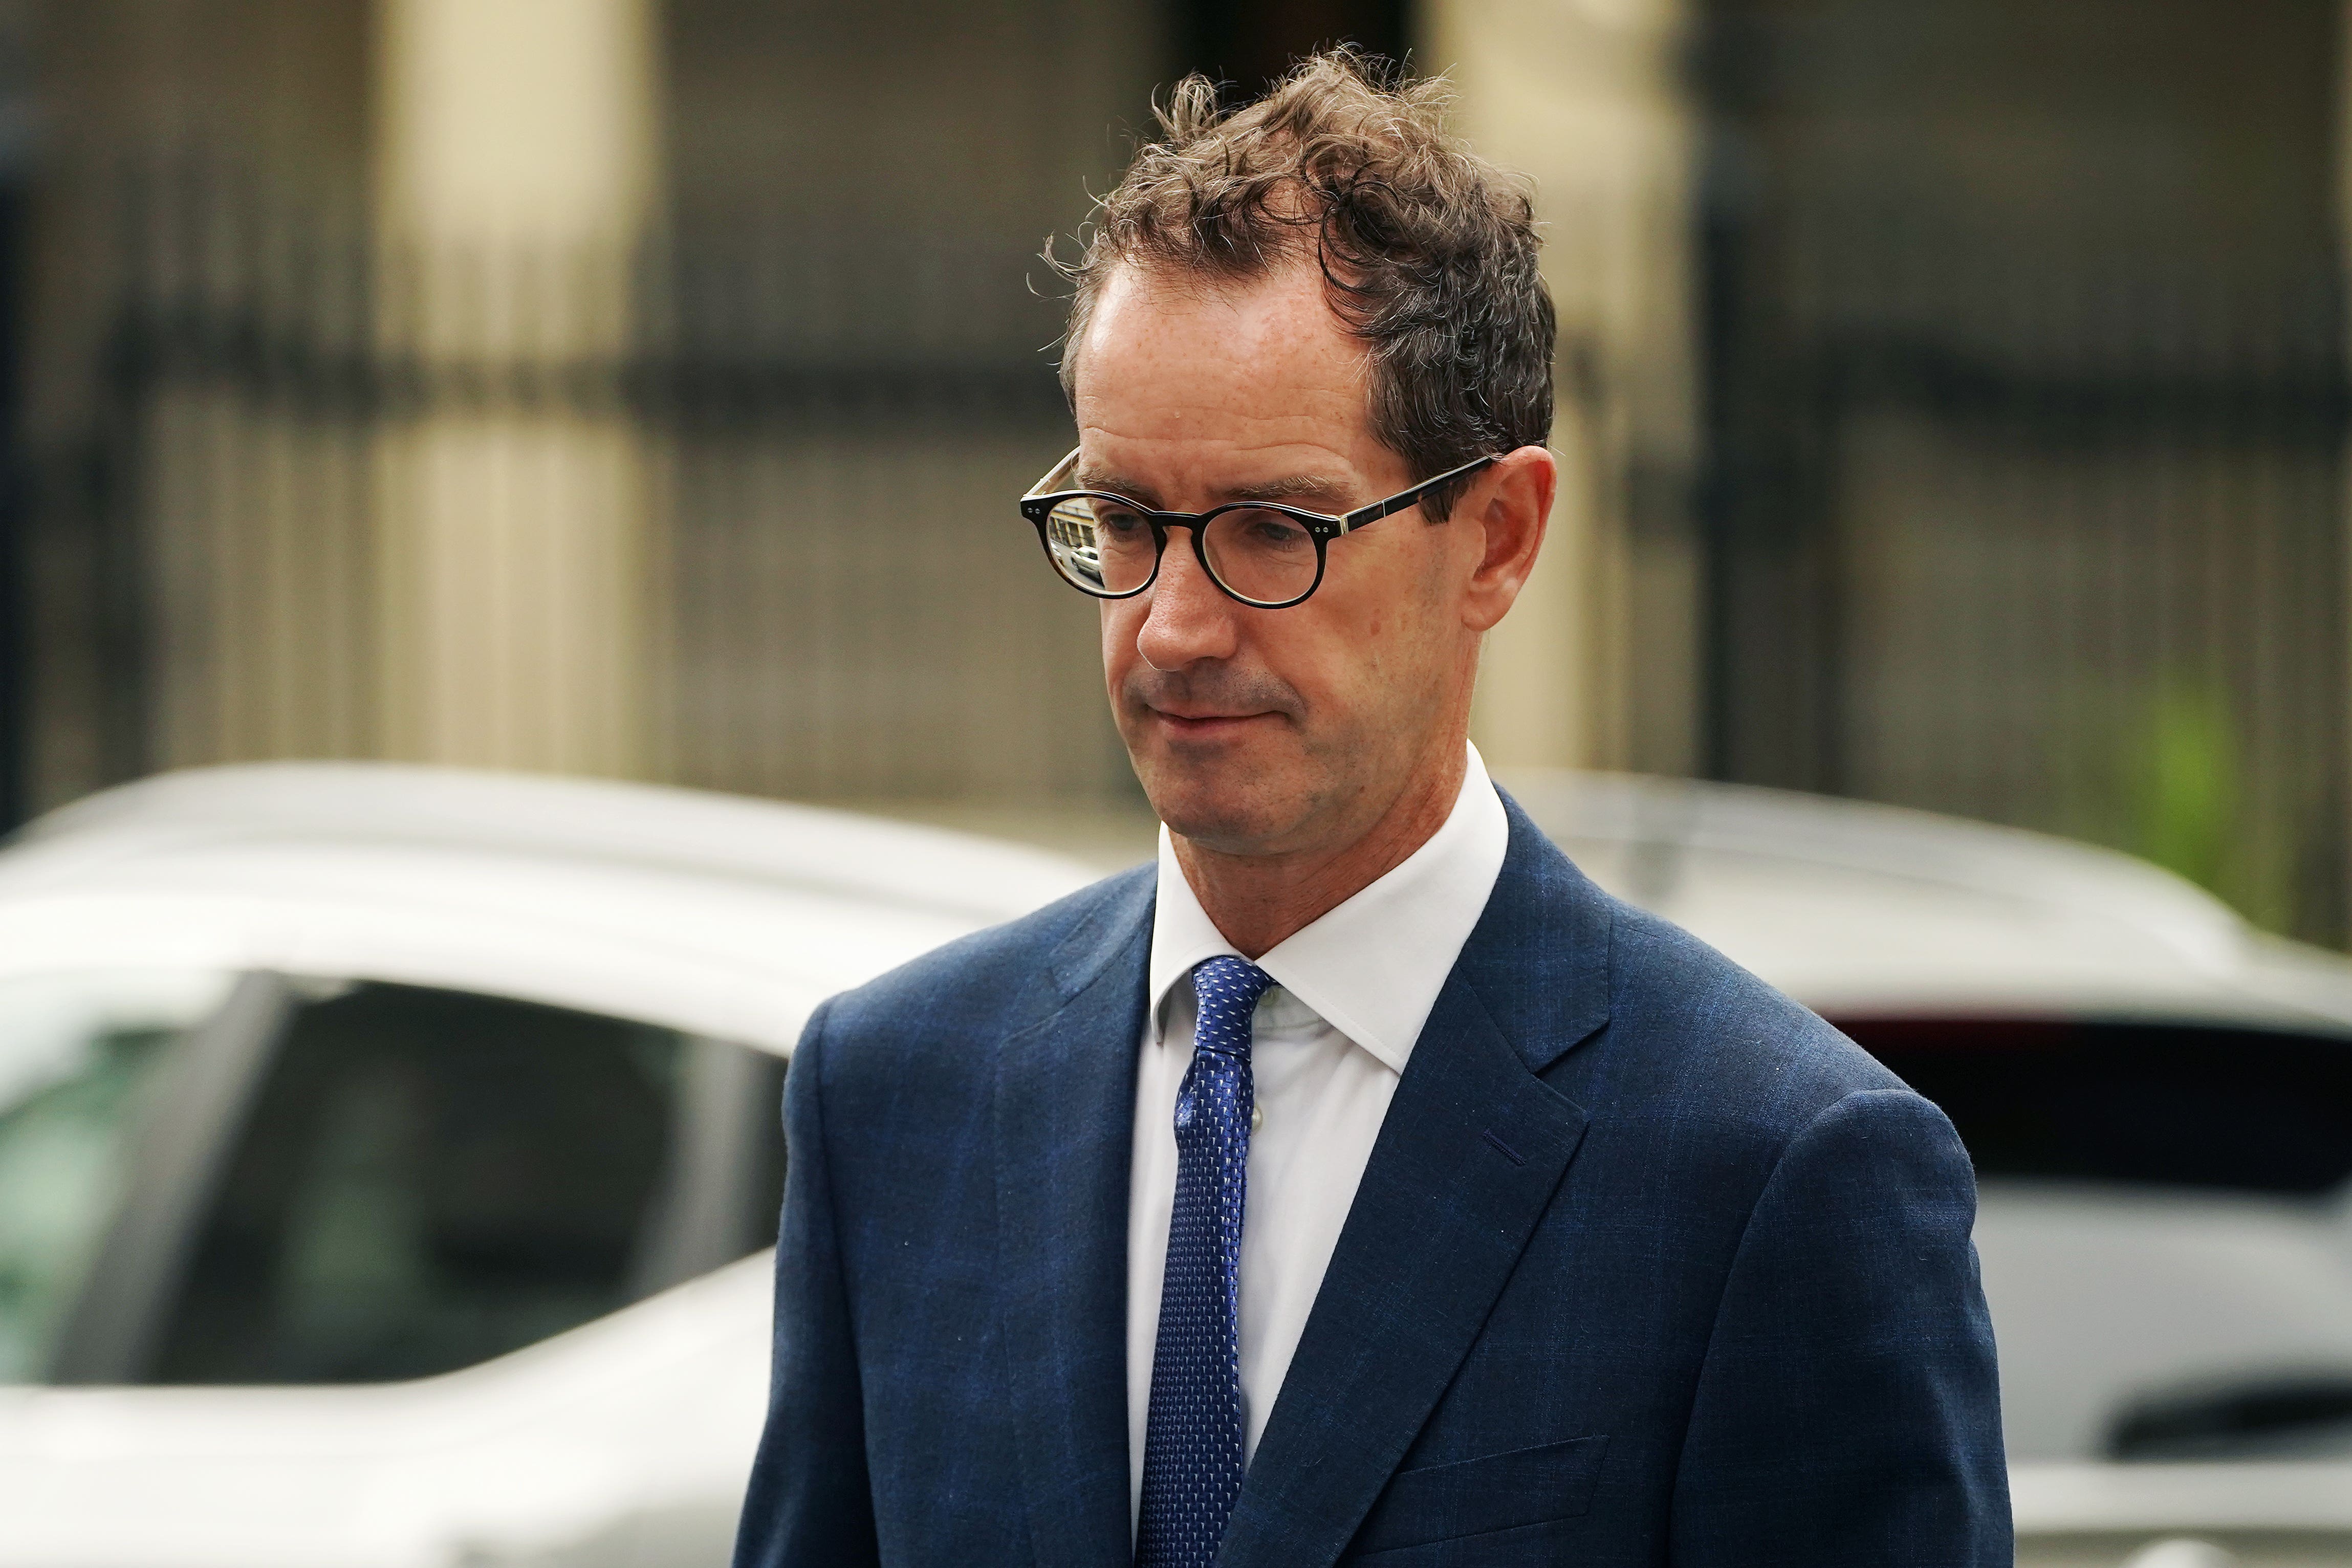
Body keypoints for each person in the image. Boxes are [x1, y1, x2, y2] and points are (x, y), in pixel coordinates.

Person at [732, 50, 2009, 1568]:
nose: (1174, 626)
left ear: (1496, 539)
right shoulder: (897, 1094)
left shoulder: (1773, 1167)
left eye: (1275, 529)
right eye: (1126, 522)